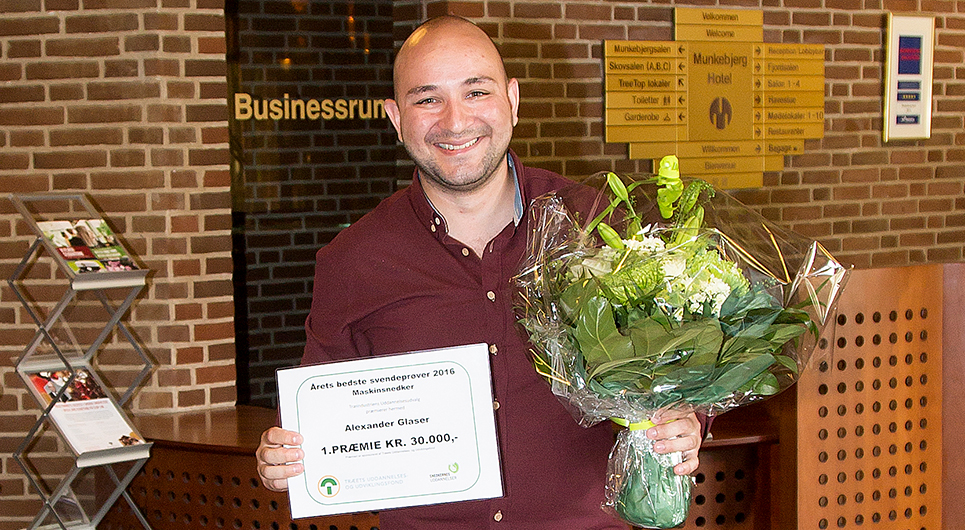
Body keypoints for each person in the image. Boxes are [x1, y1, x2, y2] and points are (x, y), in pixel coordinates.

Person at [255, 15, 705, 529]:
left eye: (476, 92)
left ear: (511, 100)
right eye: (427, 99)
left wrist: (688, 420)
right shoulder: (353, 260)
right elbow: (317, 423)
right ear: (395, 117)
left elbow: (682, 363)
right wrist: (285, 459)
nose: (454, 121)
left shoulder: (599, 228)